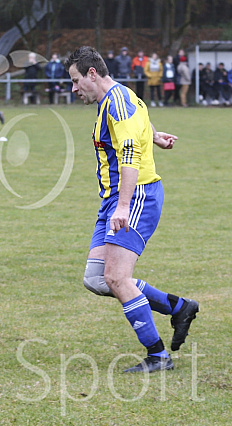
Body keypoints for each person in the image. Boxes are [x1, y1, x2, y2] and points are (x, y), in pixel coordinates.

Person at [65, 46, 198, 373]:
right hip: (114, 199)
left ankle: (158, 355)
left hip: (135, 196)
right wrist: (154, 136)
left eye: (75, 80)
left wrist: (123, 205)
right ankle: (179, 307)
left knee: (116, 276)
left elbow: (129, 159)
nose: (73, 88)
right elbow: (139, 118)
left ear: (92, 74)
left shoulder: (118, 104)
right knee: (97, 279)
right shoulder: (121, 94)